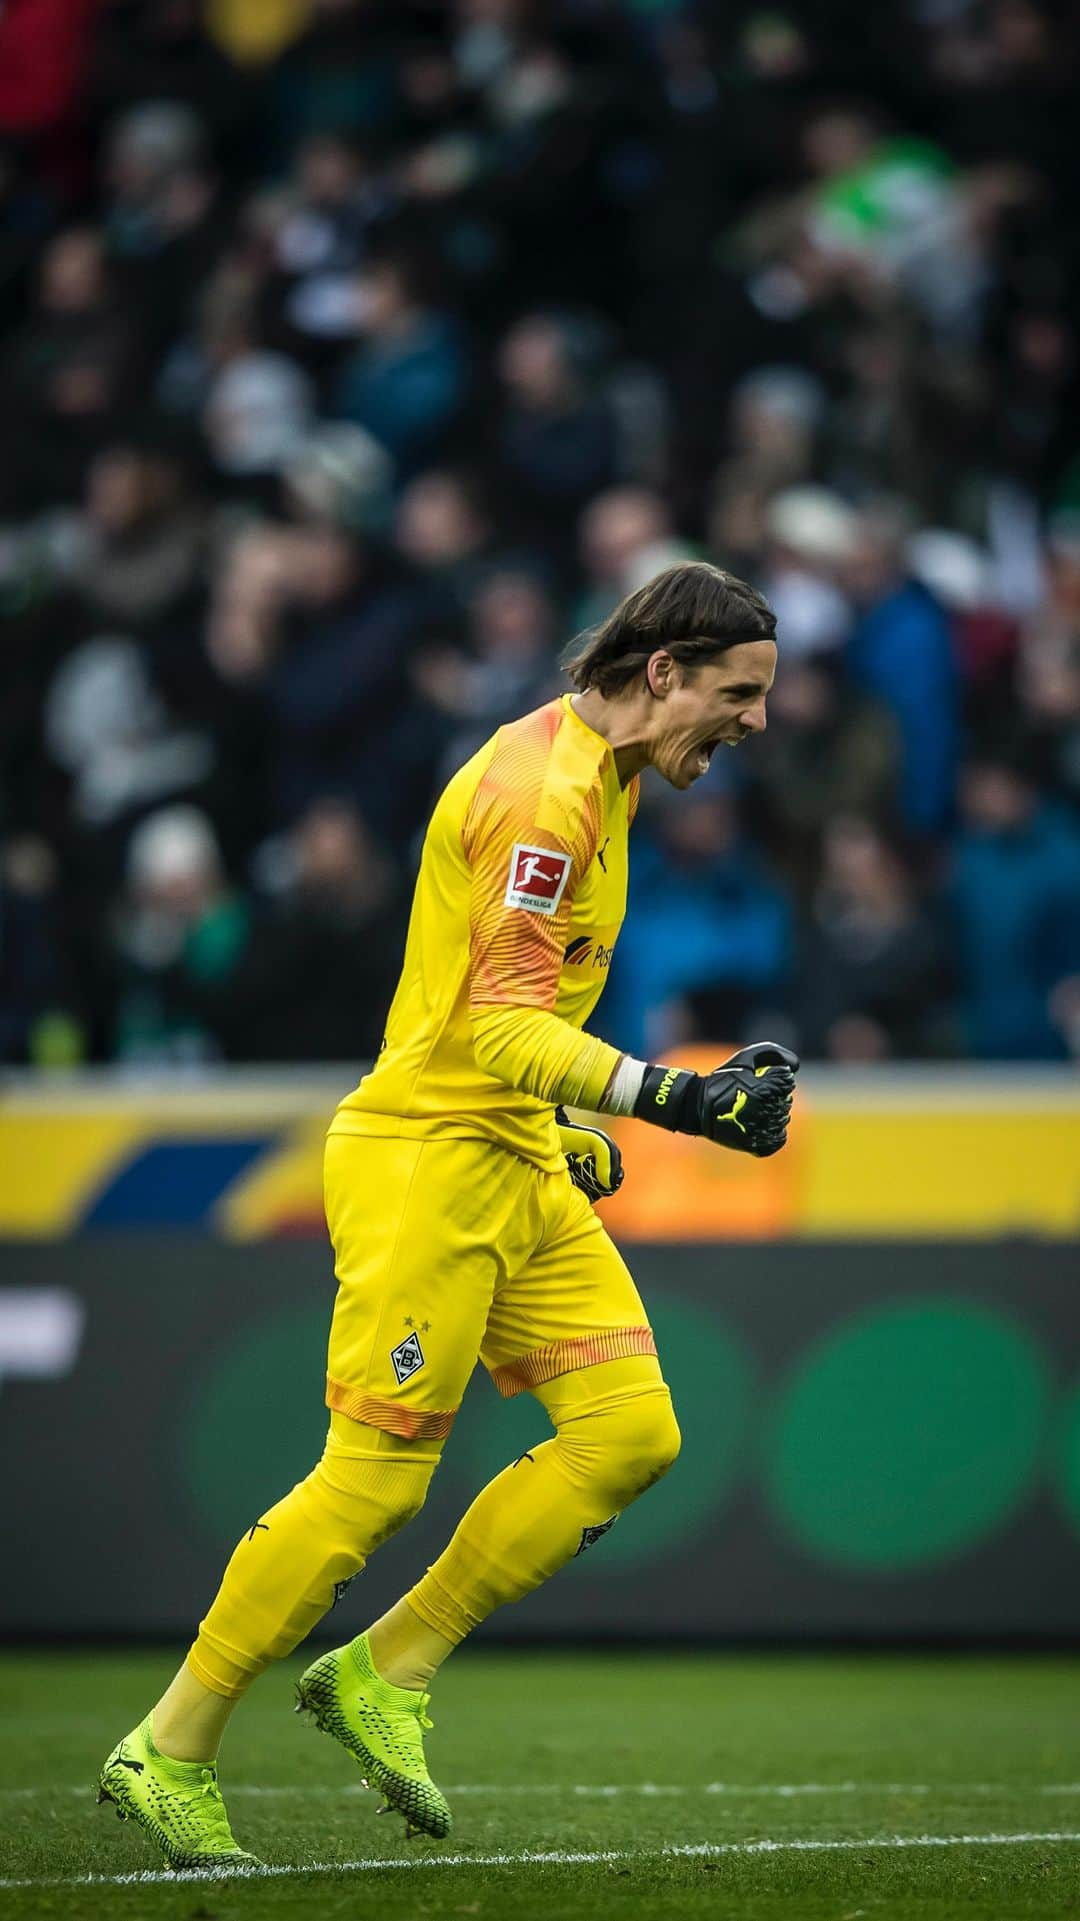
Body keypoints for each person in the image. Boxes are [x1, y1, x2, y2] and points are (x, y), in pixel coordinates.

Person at [96, 561, 798, 1871]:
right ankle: (170, 1745)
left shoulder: (596, 774)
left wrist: (557, 1126)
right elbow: (495, 1020)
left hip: (504, 1150)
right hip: (429, 1166)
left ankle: (386, 1672)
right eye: (741, 693)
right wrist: (670, 1098)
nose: (756, 722)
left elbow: (485, 1017)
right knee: (372, 1483)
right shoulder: (546, 801)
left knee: (629, 1432)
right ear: (663, 674)